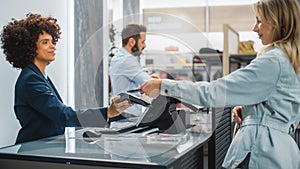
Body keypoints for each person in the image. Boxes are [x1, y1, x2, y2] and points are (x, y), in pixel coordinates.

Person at [139, 0, 300, 168]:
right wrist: (251, 112)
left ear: (276, 21)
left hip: (264, 153)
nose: (254, 28)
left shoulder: (273, 61)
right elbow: (279, 105)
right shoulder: (290, 60)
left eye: (259, 20)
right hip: (282, 151)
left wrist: (163, 85)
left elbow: (213, 92)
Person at [0, 13, 132, 144]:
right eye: (45, 42)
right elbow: (63, 116)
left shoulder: (40, 76)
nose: (53, 46)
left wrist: (113, 114)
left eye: (52, 41)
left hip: (43, 148)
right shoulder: (31, 80)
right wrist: (107, 112)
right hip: (32, 151)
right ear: (29, 47)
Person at [109, 23, 152, 117]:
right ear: (132, 41)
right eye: (142, 42)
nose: (144, 46)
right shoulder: (127, 60)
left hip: (121, 116)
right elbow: (150, 83)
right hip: (127, 117)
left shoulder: (118, 57)